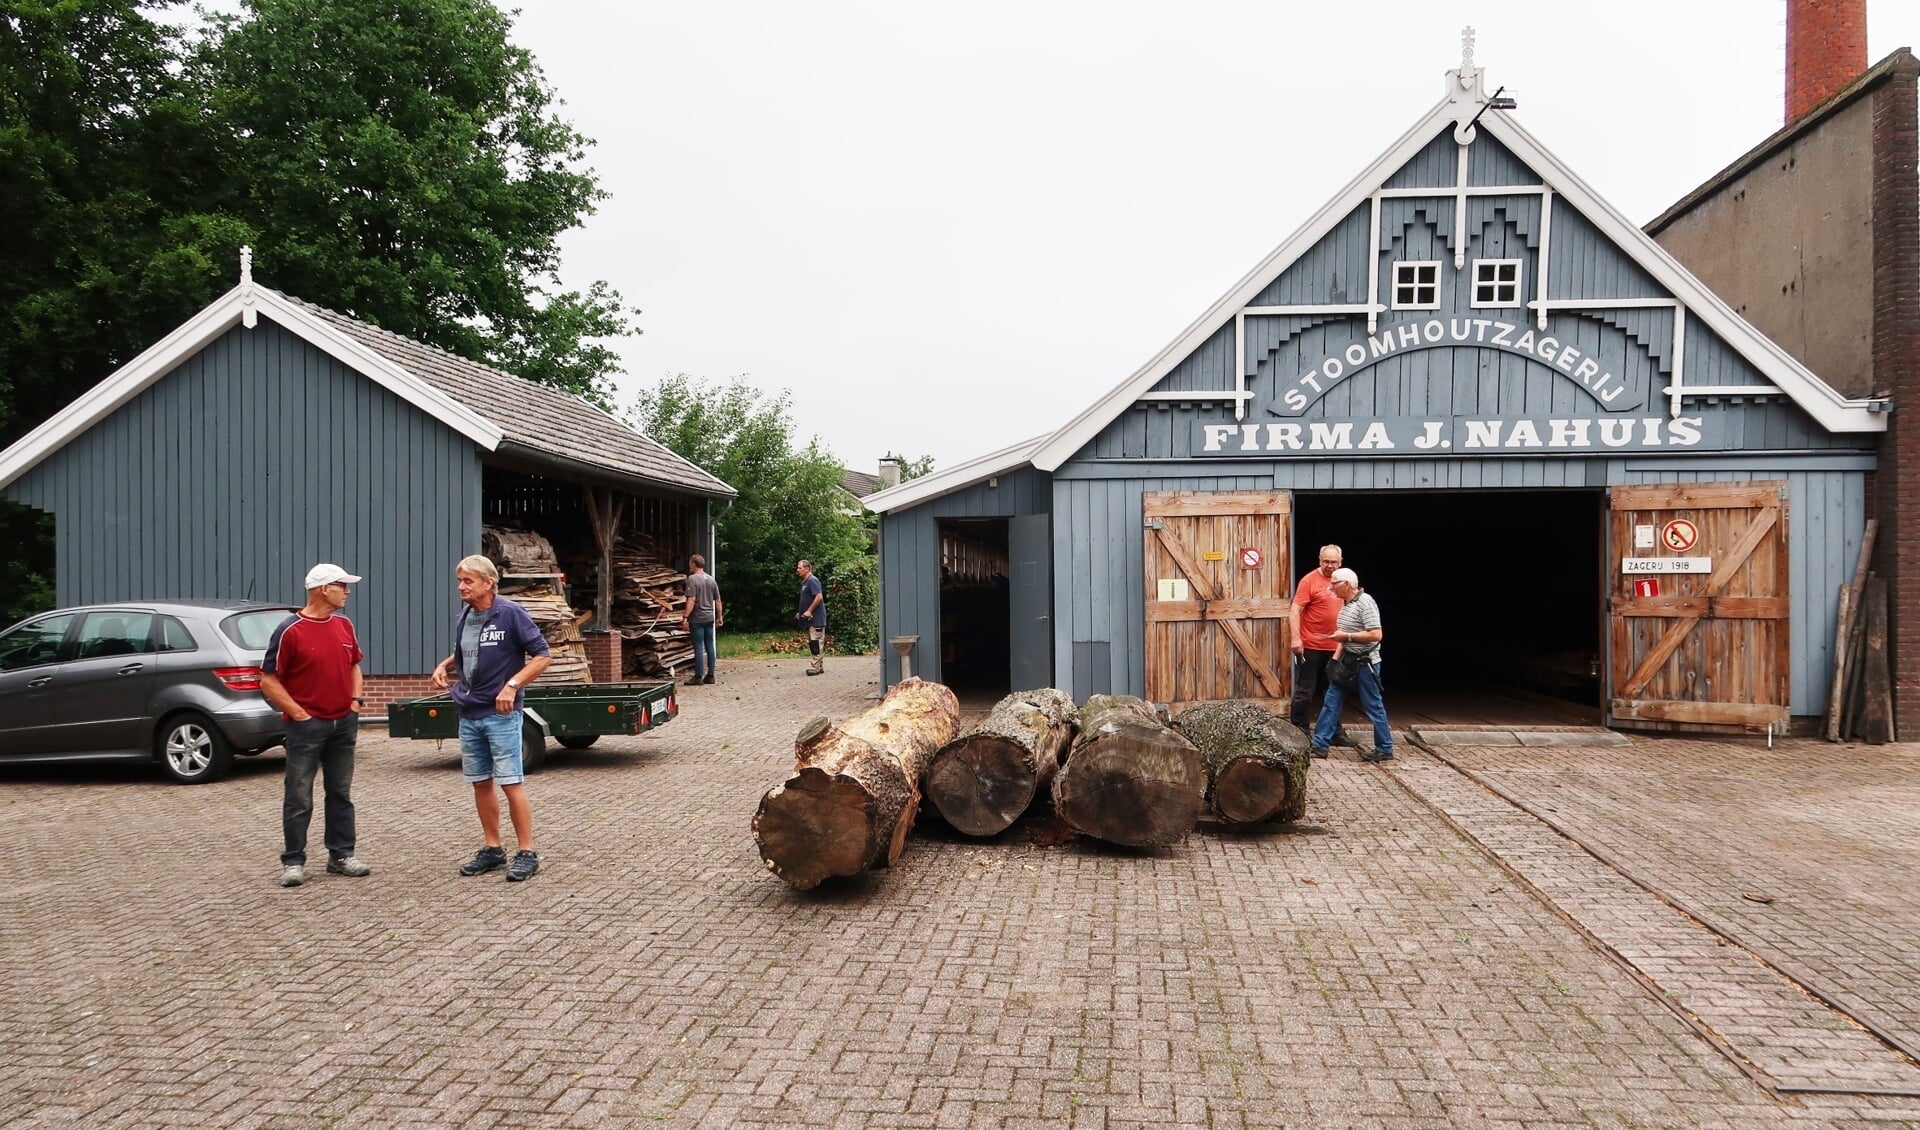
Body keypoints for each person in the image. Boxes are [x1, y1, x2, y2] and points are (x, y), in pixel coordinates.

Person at [430, 554, 552, 882]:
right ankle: (493, 849)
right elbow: (468, 649)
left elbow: (542, 656)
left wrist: (512, 685)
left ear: (488, 582)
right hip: (468, 714)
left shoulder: (510, 614)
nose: (461, 587)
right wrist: (445, 665)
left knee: (511, 782)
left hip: (501, 716)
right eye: (460, 580)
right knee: (481, 782)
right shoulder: (465, 616)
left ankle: (526, 852)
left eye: (468, 581)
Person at [260, 563, 370, 888]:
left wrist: (355, 703)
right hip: (306, 727)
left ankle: (341, 855)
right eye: (342, 586)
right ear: (324, 589)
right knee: (299, 795)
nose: (348, 591)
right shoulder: (289, 630)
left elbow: (354, 666)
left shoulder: (344, 625)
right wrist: (297, 712)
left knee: (340, 792)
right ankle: (293, 861)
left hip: (343, 723)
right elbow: (268, 680)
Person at [1310, 567, 1393, 763]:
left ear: (1347, 584)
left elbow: (1376, 634)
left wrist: (1346, 636)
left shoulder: (1366, 602)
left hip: (1365, 663)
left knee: (1373, 705)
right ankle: (1320, 745)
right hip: (1347, 661)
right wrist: (1334, 661)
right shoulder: (1346, 604)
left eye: (1335, 584)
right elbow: (1342, 635)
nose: (1332, 588)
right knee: (1331, 701)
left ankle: (1385, 748)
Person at [1290, 544, 1349, 754]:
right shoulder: (1309, 580)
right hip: (1312, 644)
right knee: (1306, 690)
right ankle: (1299, 729)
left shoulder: (1345, 580)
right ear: (1319, 560)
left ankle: (1334, 732)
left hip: (1336, 647)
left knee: (1334, 690)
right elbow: (1295, 609)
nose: (1329, 566)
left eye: (1333, 562)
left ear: (1340, 562)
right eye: (1326, 561)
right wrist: (1296, 638)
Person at [679, 554, 724, 685]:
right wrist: (719, 617)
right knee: (710, 645)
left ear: (694, 564)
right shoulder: (711, 579)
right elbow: (718, 601)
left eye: (690, 563)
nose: (689, 565)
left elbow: (691, 599)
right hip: (709, 618)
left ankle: (698, 676)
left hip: (697, 618)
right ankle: (710, 675)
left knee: (698, 647)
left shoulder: (692, 579)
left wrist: (685, 617)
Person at [795, 559, 826, 676]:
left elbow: (819, 597)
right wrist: (801, 612)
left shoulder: (813, 581)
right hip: (811, 619)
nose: (797, 570)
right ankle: (820, 666)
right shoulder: (806, 582)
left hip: (816, 619)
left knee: (816, 642)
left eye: (800, 568)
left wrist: (809, 611)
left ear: (807, 568)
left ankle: (815, 667)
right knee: (815, 641)